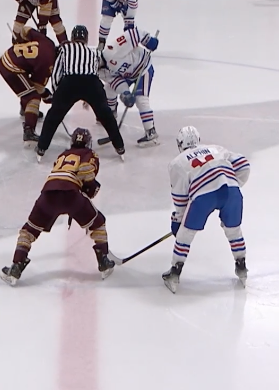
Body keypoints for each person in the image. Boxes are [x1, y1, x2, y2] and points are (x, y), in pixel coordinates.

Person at [1, 128, 115, 285]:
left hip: (48, 194)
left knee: (29, 230)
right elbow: (86, 172)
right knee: (98, 223)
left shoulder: (63, 155)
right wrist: (91, 187)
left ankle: (16, 265)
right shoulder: (90, 154)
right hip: (71, 195)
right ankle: (103, 260)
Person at [162, 126, 250, 294]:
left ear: (180, 144)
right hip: (231, 190)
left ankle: (174, 273)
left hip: (203, 196)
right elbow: (243, 164)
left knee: (185, 234)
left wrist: (179, 220)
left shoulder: (177, 163)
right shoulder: (216, 149)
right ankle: (241, 266)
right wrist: (234, 184)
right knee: (234, 230)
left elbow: (180, 197)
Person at [35, 25, 125, 160]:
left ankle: (42, 148)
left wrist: (56, 95)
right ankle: (120, 147)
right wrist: (90, 98)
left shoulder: (64, 49)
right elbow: (96, 71)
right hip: (92, 83)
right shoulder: (94, 53)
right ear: (86, 39)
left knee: (53, 116)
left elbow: (57, 72)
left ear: (72, 38)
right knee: (106, 115)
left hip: (70, 83)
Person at [99, 23, 159, 147]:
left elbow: (134, 34)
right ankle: (111, 116)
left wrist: (148, 40)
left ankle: (150, 131)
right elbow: (116, 81)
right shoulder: (99, 72)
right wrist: (125, 93)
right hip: (128, 75)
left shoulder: (113, 50)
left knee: (141, 99)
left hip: (143, 67)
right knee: (108, 90)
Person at [0, 26, 56, 143]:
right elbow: (37, 87)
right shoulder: (48, 64)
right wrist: (48, 97)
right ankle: (29, 130)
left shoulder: (48, 43)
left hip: (9, 57)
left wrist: (19, 40)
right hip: (11, 67)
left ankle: (25, 110)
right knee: (33, 98)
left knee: (28, 89)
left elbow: (26, 30)